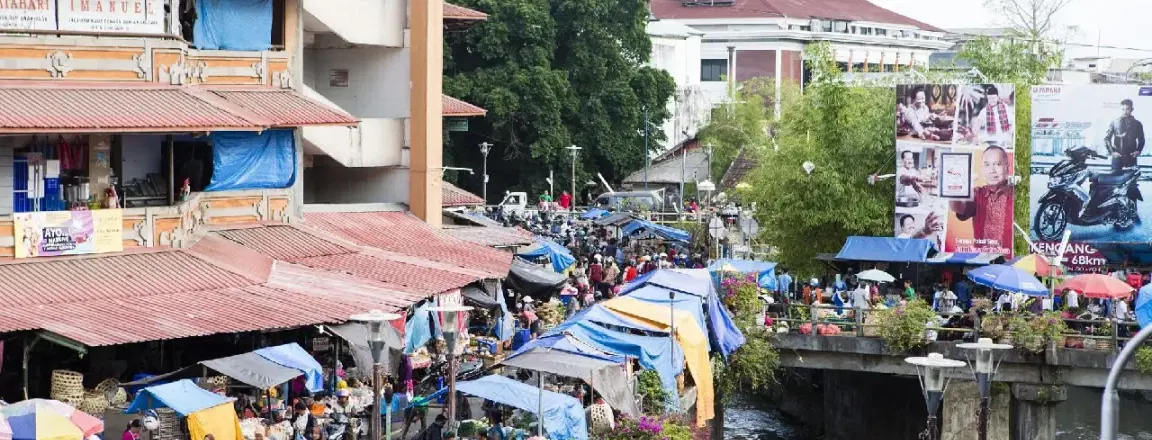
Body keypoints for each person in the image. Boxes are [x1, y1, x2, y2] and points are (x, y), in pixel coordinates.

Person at [950, 145, 1014, 252]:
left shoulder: (1017, 194)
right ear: (982, 169)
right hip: (982, 260)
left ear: (1007, 166)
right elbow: (957, 207)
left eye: (997, 164)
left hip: (1009, 261)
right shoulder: (978, 193)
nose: (992, 170)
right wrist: (957, 188)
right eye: (987, 165)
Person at [1104, 99, 1145, 172]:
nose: (1125, 111)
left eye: (1127, 109)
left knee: (1131, 181)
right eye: (1123, 109)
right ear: (1120, 109)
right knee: (1115, 180)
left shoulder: (1137, 124)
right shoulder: (1114, 122)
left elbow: (1141, 139)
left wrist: (1138, 151)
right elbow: (1107, 138)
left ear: (1132, 109)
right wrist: (1112, 152)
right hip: (1117, 157)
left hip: (1131, 157)